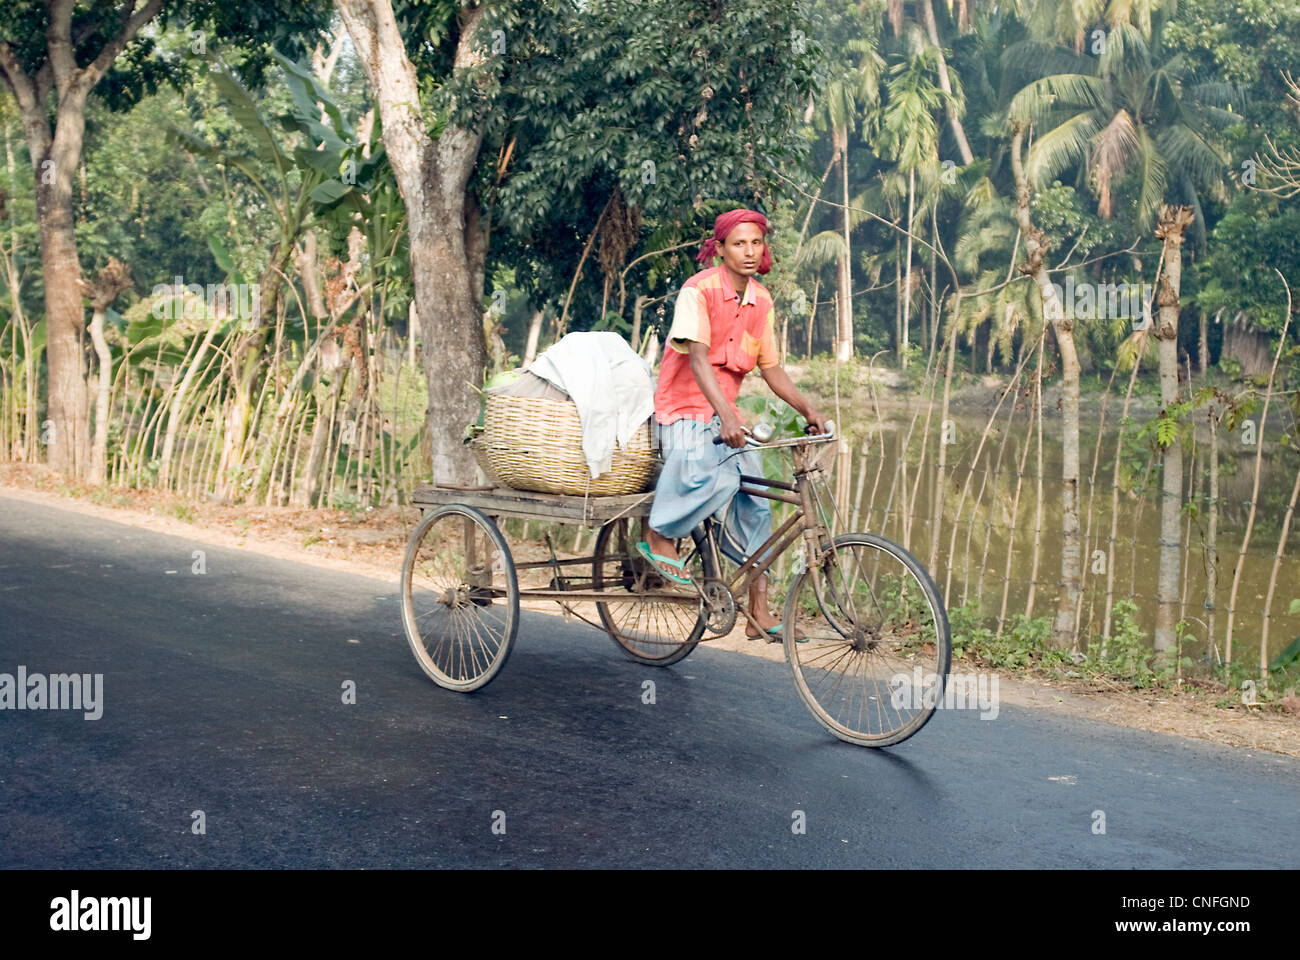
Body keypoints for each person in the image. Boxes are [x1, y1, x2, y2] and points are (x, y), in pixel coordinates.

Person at [639, 207, 829, 640]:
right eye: (738, 243)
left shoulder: (762, 301)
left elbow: (772, 370)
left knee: (758, 502)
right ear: (720, 249)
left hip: (728, 420)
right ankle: (659, 533)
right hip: (683, 411)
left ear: (764, 249)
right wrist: (724, 413)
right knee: (705, 469)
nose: (748, 251)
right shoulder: (697, 291)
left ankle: (758, 610)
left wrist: (808, 410)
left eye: (755, 243)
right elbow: (699, 358)